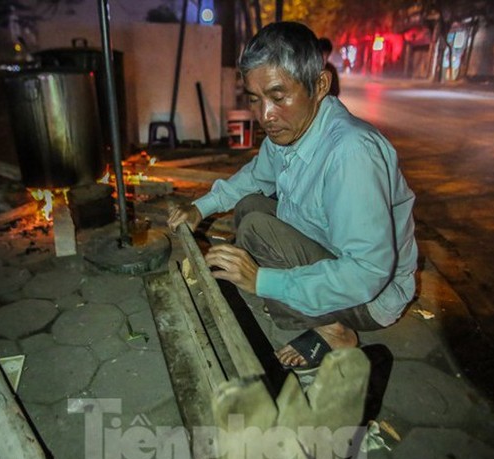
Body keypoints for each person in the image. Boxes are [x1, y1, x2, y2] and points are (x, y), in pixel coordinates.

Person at [167, 21, 418, 371]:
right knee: (250, 206)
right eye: (255, 100)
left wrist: (263, 280)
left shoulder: (351, 153)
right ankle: (303, 300)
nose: (265, 116)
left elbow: (368, 273)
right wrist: (200, 208)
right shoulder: (287, 132)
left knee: (255, 229)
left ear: (319, 85)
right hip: (330, 251)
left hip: (372, 297)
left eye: (278, 97)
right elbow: (255, 178)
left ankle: (334, 331)